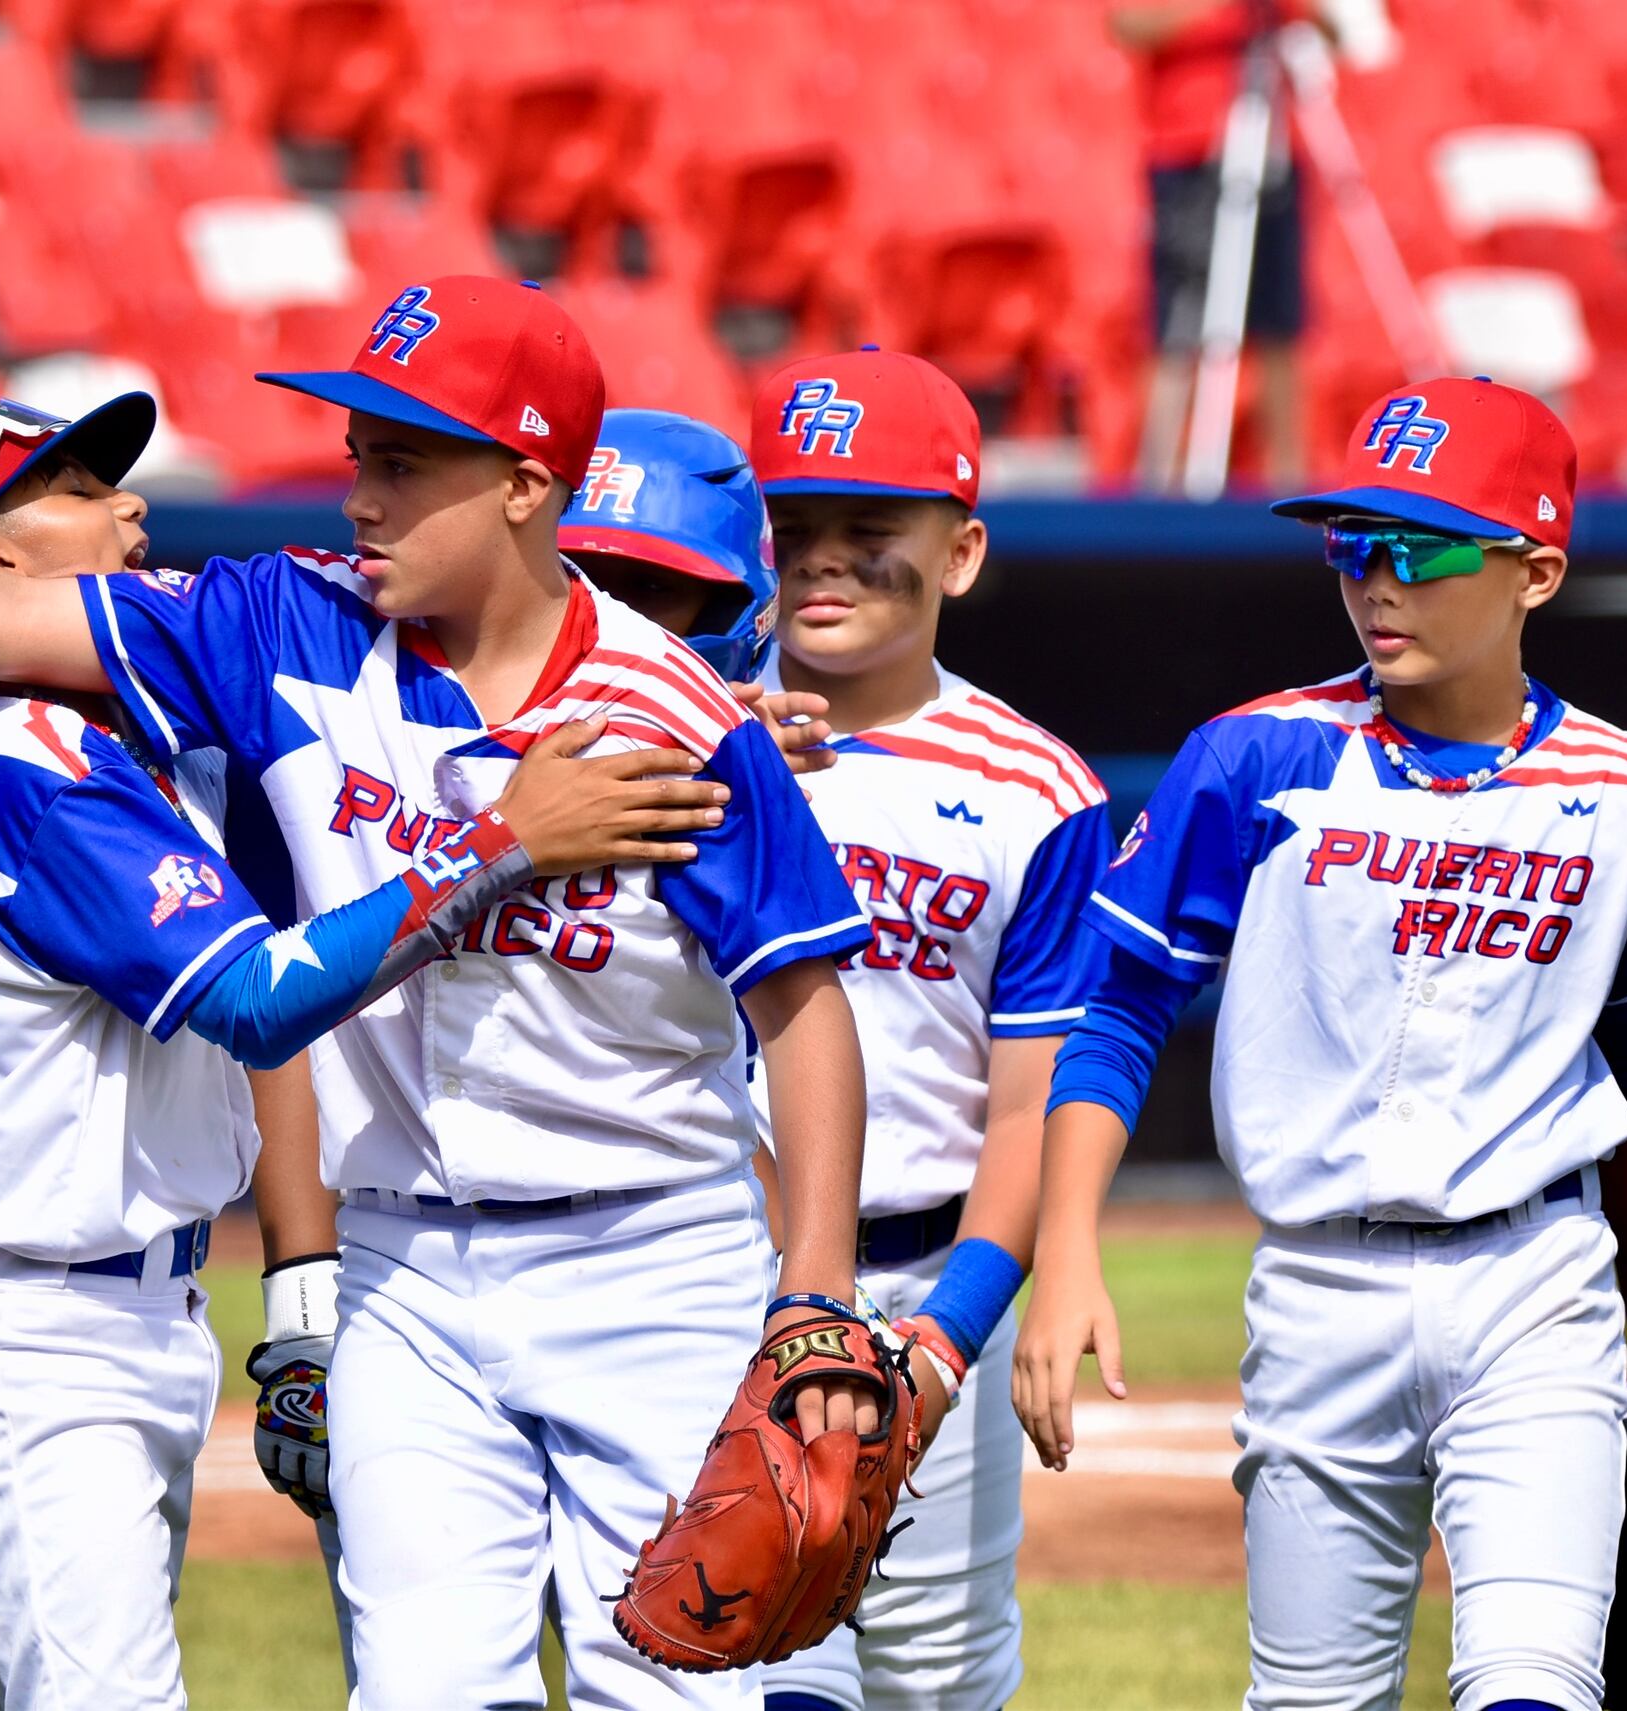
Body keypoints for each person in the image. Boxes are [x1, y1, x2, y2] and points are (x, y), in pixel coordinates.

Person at [0, 277, 891, 1708]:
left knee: (679, 1687)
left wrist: (813, 1293)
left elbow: (804, 1004)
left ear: (522, 482)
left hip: (642, 1252)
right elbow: (11, 649)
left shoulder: (663, 714)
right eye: (358, 454)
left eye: (404, 458)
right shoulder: (255, 639)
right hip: (357, 1282)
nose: (361, 492)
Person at [0, 389, 731, 1706]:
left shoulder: (158, 732)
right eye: (75, 489)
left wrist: (720, 718)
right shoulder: (37, 764)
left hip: (142, 1307)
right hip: (26, 1327)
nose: (129, 504)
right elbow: (260, 998)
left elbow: (425, 713)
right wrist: (508, 846)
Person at [1018, 377, 1627, 1711]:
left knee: (1535, 1685)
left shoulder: (1617, 791)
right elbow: (1120, 1010)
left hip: (1535, 1278)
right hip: (1317, 1287)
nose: (1376, 581)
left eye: (1419, 547)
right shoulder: (1255, 757)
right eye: (1353, 544)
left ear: (1534, 570)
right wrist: (1064, 1249)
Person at [733, 355, 1108, 1709]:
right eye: (795, 530)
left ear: (960, 552)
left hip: (930, 1278)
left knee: (938, 1680)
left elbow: (1026, 1105)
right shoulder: (689, 738)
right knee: (752, 1656)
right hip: (717, 1269)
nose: (821, 563)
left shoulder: (1040, 790)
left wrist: (946, 1340)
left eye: (868, 534)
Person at [1111, 0, 1313, 487]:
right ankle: (1156, 484)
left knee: (1277, 322)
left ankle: (1291, 486)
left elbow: (1333, 30)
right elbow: (1127, 23)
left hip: (1271, 148)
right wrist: (1226, 17)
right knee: (1179, 321)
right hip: (1189, 152)